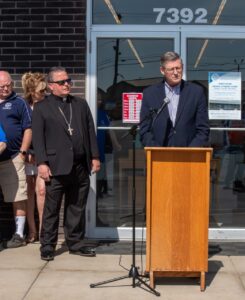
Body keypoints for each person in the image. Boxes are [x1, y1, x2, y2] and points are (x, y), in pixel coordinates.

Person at [32, 67, 100, 261]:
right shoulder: (42, 107)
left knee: (76, 207)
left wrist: (95, 156)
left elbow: (90, 132)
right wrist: (42, 163)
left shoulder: (80, 104)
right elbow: (38, 138)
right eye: (62, 82)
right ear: (51, 86)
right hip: (55, 166)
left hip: (80, 165)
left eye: (68, 80)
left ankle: (76, 243)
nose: (67, 84)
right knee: (51, 210)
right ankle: (47, 246)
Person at [139, 51, 209, 147]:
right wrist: (156, 151)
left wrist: (191, 151)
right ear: (162, 70)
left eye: (178, 68)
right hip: (159, 156)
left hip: (189, 156)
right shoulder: (150, 94)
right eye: (171, 69)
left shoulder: (196, 92)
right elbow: (144, 130)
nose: (176, 73)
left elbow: (203, 129)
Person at [0, 70, 32, 248]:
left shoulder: (19, 102)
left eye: (8, 85)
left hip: (12, 157)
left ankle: (19, 234)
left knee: (18, 195)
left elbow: (29, 127)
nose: (5, 89)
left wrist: (23, 152)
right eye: (1, 86)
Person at [22, 72, 47, 242]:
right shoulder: (24, 106)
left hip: (43, 156)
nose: (44, 93)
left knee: (42, 191)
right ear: (32, 91)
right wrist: (27, 153)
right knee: (28, 192)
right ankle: (32, 231)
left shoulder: (48, 105)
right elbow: (20, 131)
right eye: (41, 90)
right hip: (27, 156)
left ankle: (45, 232)